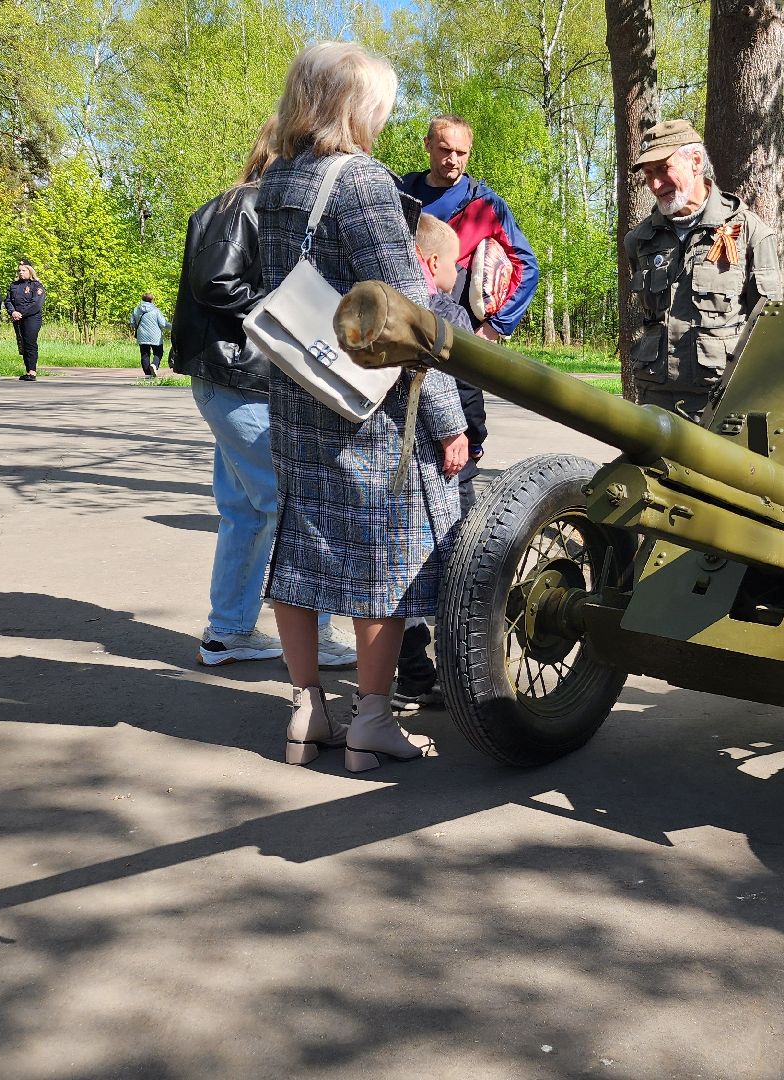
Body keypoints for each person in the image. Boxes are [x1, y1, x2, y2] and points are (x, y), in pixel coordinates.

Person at [256, 42, 469, 772]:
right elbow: (411, 318)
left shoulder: (277, 179)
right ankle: (371, 723)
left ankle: (306, 708)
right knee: (380, 557)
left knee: (304, 544)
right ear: (354, 104)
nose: (384, 117)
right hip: (366, 403)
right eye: (380, 103)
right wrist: (450, 419)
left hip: (295, 387)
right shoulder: (363, 183)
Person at [168, 119, 358, 673]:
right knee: (298, 505)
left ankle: (228, 632)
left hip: (234, 378)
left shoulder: (239, 204)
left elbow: (218, 283)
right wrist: (290, 309)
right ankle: (314, 635)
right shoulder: (246, 205)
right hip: (241, 378)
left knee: (245, 513)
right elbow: (216, 283)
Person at [390, 212, 489, 714]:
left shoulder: (393, 305)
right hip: (450, 457)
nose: (459, 270)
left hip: (398, 455)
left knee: (402, 563)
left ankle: (410, 674)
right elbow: (466, 385)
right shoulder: (444, 309)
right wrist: (473, 438)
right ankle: (460, 673)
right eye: (455, 262)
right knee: (457, 562)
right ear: (431, 261)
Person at [622, 119, 784, 422]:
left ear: (695, 161)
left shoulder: (749, 232)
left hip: (719, 400)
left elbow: (767, 327)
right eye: (648, 174)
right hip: (654, 397)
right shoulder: (640, 240)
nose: (655, 185)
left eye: (663, 169)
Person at [396, 115, 538, 343]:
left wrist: (495, 326)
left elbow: (527, 267)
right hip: (399, 317)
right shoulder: (401, 191)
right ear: (427, 145)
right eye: (445, 150)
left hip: (456, 328)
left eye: (461, 153)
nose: (453, 160)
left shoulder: (485, 203)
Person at [7, 261, 45, 381]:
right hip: (17, 318)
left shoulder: (36, 286)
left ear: (30, 271)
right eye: (19, 270)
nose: (21, 273)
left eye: (24, 270)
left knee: (30, 343)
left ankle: (32, 371)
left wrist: (21, 313)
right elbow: (8, 300)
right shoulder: (14, 285)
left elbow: (36, 304)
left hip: (32, 318)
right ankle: (28, 370)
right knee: (22, 343)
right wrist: (13, 312)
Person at [129, 293, 171, 377]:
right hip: (155, 336)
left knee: (145, 354)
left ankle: (148, 374)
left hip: (142, 336)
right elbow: (163, 324)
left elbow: (132, 322)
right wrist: (174, 327)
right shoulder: (156, 310)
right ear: (152, 300)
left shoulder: (136, 309)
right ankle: (154, 365)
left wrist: (138, 327)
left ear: (142, 299)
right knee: (158, 352)